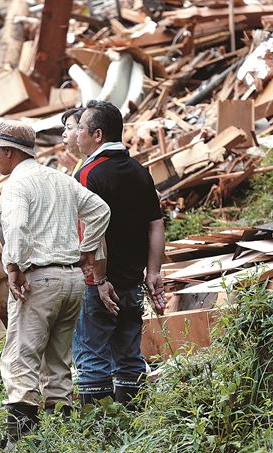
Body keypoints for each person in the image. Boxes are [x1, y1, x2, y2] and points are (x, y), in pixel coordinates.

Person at [0, 119, 111, 445]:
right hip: (71, 280)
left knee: (20, 357)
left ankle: (20, 443)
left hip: (39, 279)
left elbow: (15, 228)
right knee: (58, 361)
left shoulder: (16, 185)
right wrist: (86, 252)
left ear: (10, 153)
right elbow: (100, 210)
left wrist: (14, 267)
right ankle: (61, 438)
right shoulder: (60, 179)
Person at [70, 100, 167, 407]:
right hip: (131, 281)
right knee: (128, 357)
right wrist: (153, 273)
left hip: (101, 286)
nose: (76, 135)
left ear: (97, 134)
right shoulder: (139, 171)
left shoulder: (89, 174)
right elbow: (156, 225)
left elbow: (90, 231)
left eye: (81, 128)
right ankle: (134, 423)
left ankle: (101, 436)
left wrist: (98, 280)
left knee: (91, 358)